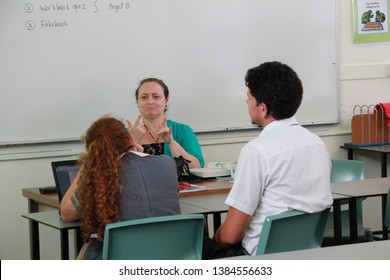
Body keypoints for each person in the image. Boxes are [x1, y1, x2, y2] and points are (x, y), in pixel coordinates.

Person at [203, 61, 333, 259]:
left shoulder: (257, 151)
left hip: (259, 258)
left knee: (199, 244)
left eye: (249, 97)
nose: (246, 102)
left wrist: (214, 239)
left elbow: (230, 236)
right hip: (305, 255)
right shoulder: (317, 145)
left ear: (262, 108)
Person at [60, 116, 181, 260]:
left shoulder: (100, 176)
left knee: (91, 246)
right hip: (171, 256)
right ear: (130, 138)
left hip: (126, 260)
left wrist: (89, 165)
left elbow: (67, 213)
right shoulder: (167, 164)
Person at [130, 77, 204, 168]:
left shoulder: (183, 130)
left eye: (156, 97)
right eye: (144, 97)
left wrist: (171, 143)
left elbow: (198, 168)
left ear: (166, 100)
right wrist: (132, 142)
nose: (150, 101)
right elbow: (113, 172)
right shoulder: (125, 134)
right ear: (137, 101)